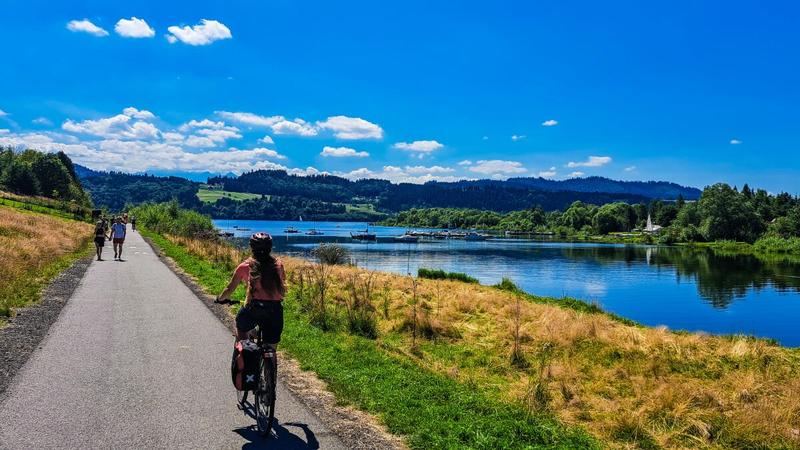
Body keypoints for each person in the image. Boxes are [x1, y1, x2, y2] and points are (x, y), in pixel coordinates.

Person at [215, 233, 286, 344]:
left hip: (253, 308)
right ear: (270, 248)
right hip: (274, 310)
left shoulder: (244, 266)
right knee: (271, 345)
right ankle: (270, 354)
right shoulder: (278, 265)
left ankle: (240, 350)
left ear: (252, 248)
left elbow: (229, 289)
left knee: (241, 331)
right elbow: (283, 283)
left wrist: (220, 299)